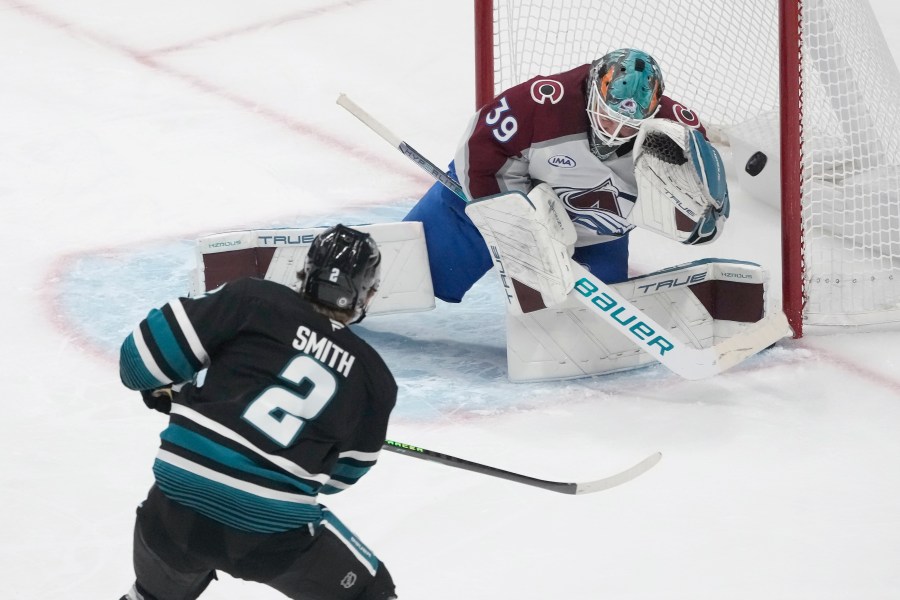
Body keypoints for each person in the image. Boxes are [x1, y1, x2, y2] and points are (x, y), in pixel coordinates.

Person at [117, 224, 399, 600]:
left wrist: (176, 391)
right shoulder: (373, 378)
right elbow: (337, 479)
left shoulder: (254, 299)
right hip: (268, 535)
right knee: (371, 593)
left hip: (173, 512)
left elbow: (137, 362)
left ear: (304, 273)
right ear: (369, 293)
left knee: (153, 593)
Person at [403, 47, 728, 304]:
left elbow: (704, 210)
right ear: (592, 93)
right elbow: (479, 153)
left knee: (580, 318)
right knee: (418, 271)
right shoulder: (539, 103)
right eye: (609, 116)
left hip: (598, 234)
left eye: (629, 126)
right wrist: (515, 226)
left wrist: (701, 217)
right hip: (502, 205)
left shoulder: (677, 137)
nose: (615, 132)